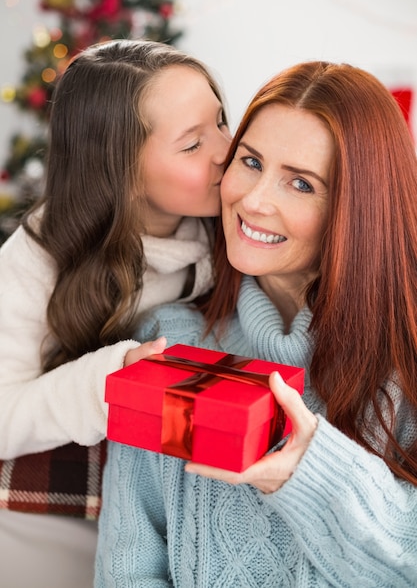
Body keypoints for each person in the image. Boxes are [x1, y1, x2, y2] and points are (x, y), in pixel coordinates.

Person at [95, 60, 417, 587]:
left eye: (301, 184)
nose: (254, 199)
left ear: (360, 210)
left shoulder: (404, 360)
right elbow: (128, 566)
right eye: (251, 161)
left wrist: (309, 472)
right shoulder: (171, 342)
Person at [0, 38, 231, 587]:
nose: (229, 149)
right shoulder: (36, 259)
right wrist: (110, 384)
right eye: (193, 144)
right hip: (56, 501)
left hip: (180, 497)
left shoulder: (234, 218)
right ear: (121, 171)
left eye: (222, 121)